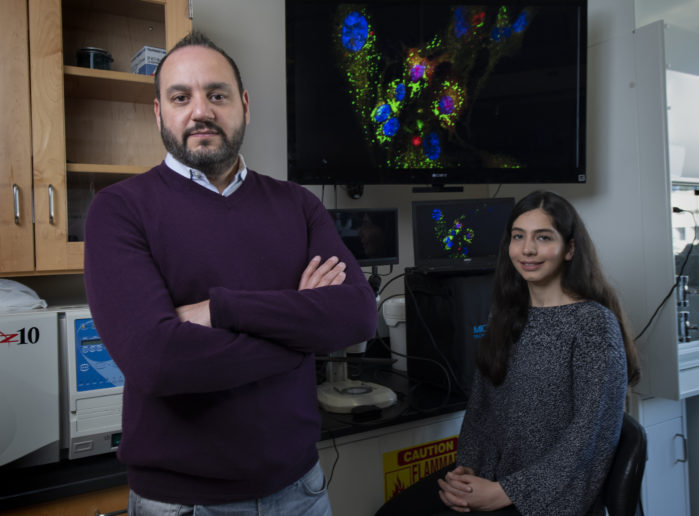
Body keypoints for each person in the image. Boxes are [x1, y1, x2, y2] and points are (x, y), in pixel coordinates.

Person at [83, 31, 378, 515]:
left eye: (216, 95)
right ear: (160, 113)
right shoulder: (118, 209)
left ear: (243, 104)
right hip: (181, 504)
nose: (201, 111)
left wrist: (221, 309)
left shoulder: (298, 204)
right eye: (181, 97)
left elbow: (357, 315)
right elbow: (156, 361)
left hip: (301, 492)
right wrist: (300, 331)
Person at [377, 190, 640, 516]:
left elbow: (588, 438)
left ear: (570, 249)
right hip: (498, 479)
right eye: (519, 237)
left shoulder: (593, 324)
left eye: (543, 237)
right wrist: (467, 469)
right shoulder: (508, 316)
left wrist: (505, 493)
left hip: (552, 499)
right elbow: (481, 409)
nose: (528, 249)